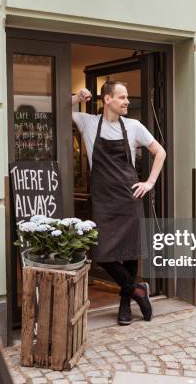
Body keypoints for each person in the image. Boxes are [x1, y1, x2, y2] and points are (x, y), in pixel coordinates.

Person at [71, 82, 166, 325]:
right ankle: (137, 290)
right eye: (122, 97)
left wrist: (150, 182)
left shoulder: (133, 126)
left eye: (126, 98)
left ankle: (125, 304)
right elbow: (56, 110)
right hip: (104, 200)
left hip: (129, 197)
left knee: (130, 253)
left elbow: (160, 152)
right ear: (107, 99)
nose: (127, 102)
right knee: (103, 254)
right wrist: (76, 97)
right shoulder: (89, 122)